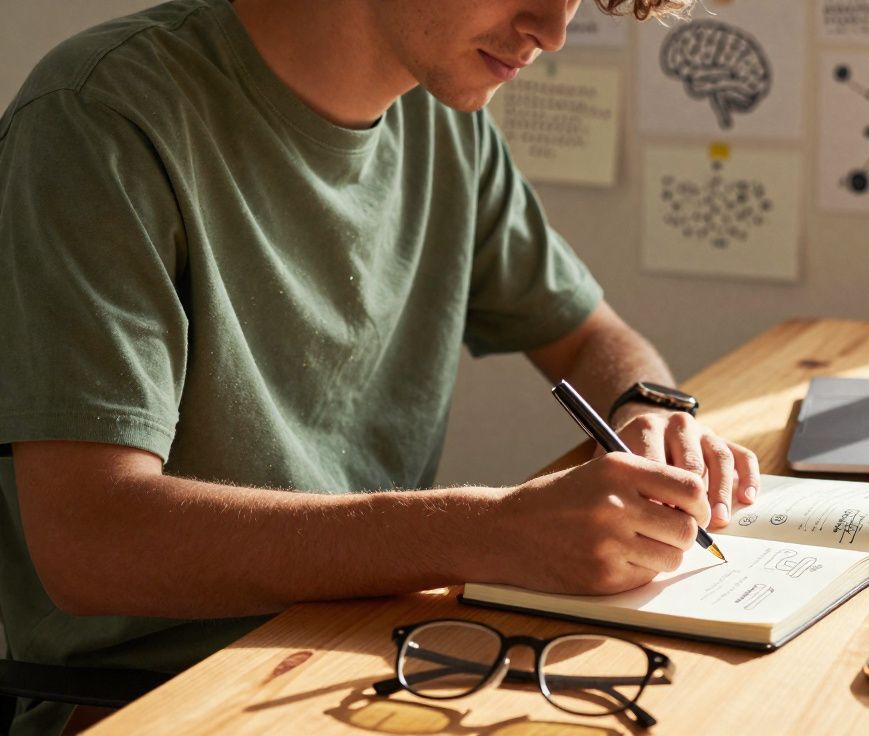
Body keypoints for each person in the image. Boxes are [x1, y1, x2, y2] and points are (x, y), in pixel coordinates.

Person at [0, 1, 759, 732]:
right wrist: (486, 532)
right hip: (151, 697)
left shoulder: (443, 126)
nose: (554, 29)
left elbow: (592, 337)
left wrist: (649, 411)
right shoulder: (98, 116)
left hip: (374, 657)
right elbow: (87, 540)